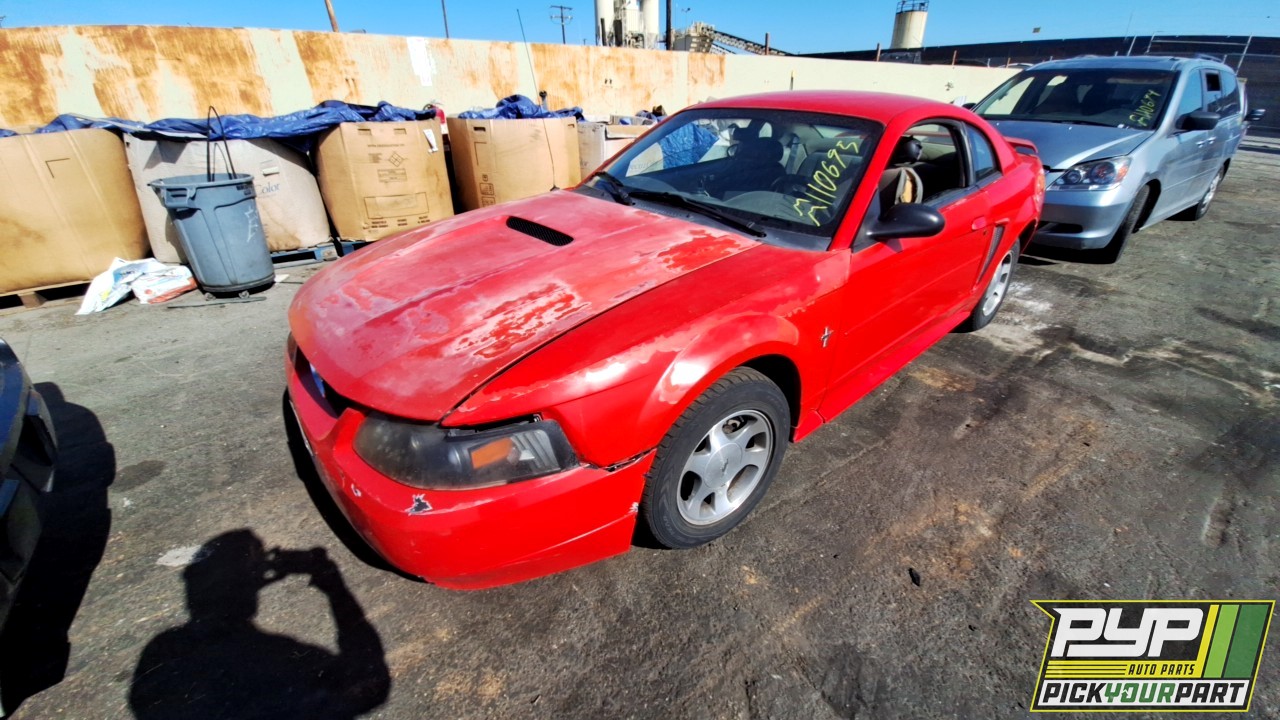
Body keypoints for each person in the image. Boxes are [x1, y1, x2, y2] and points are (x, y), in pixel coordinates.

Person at [130, 530, 390, 719]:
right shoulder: (281, 664)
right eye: (253, 566)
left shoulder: (166, 650)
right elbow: (370, 683)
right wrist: (333, 584)